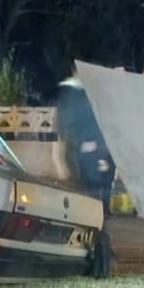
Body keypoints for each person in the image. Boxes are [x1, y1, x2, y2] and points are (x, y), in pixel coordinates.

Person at [54, 72, 114, 216]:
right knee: (90, 186)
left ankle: (100, 212)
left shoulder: (83, 94)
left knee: (101, 182)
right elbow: (66, 126)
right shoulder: (72, 94)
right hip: (83, 151)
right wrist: (83, 144)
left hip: (93, 149)